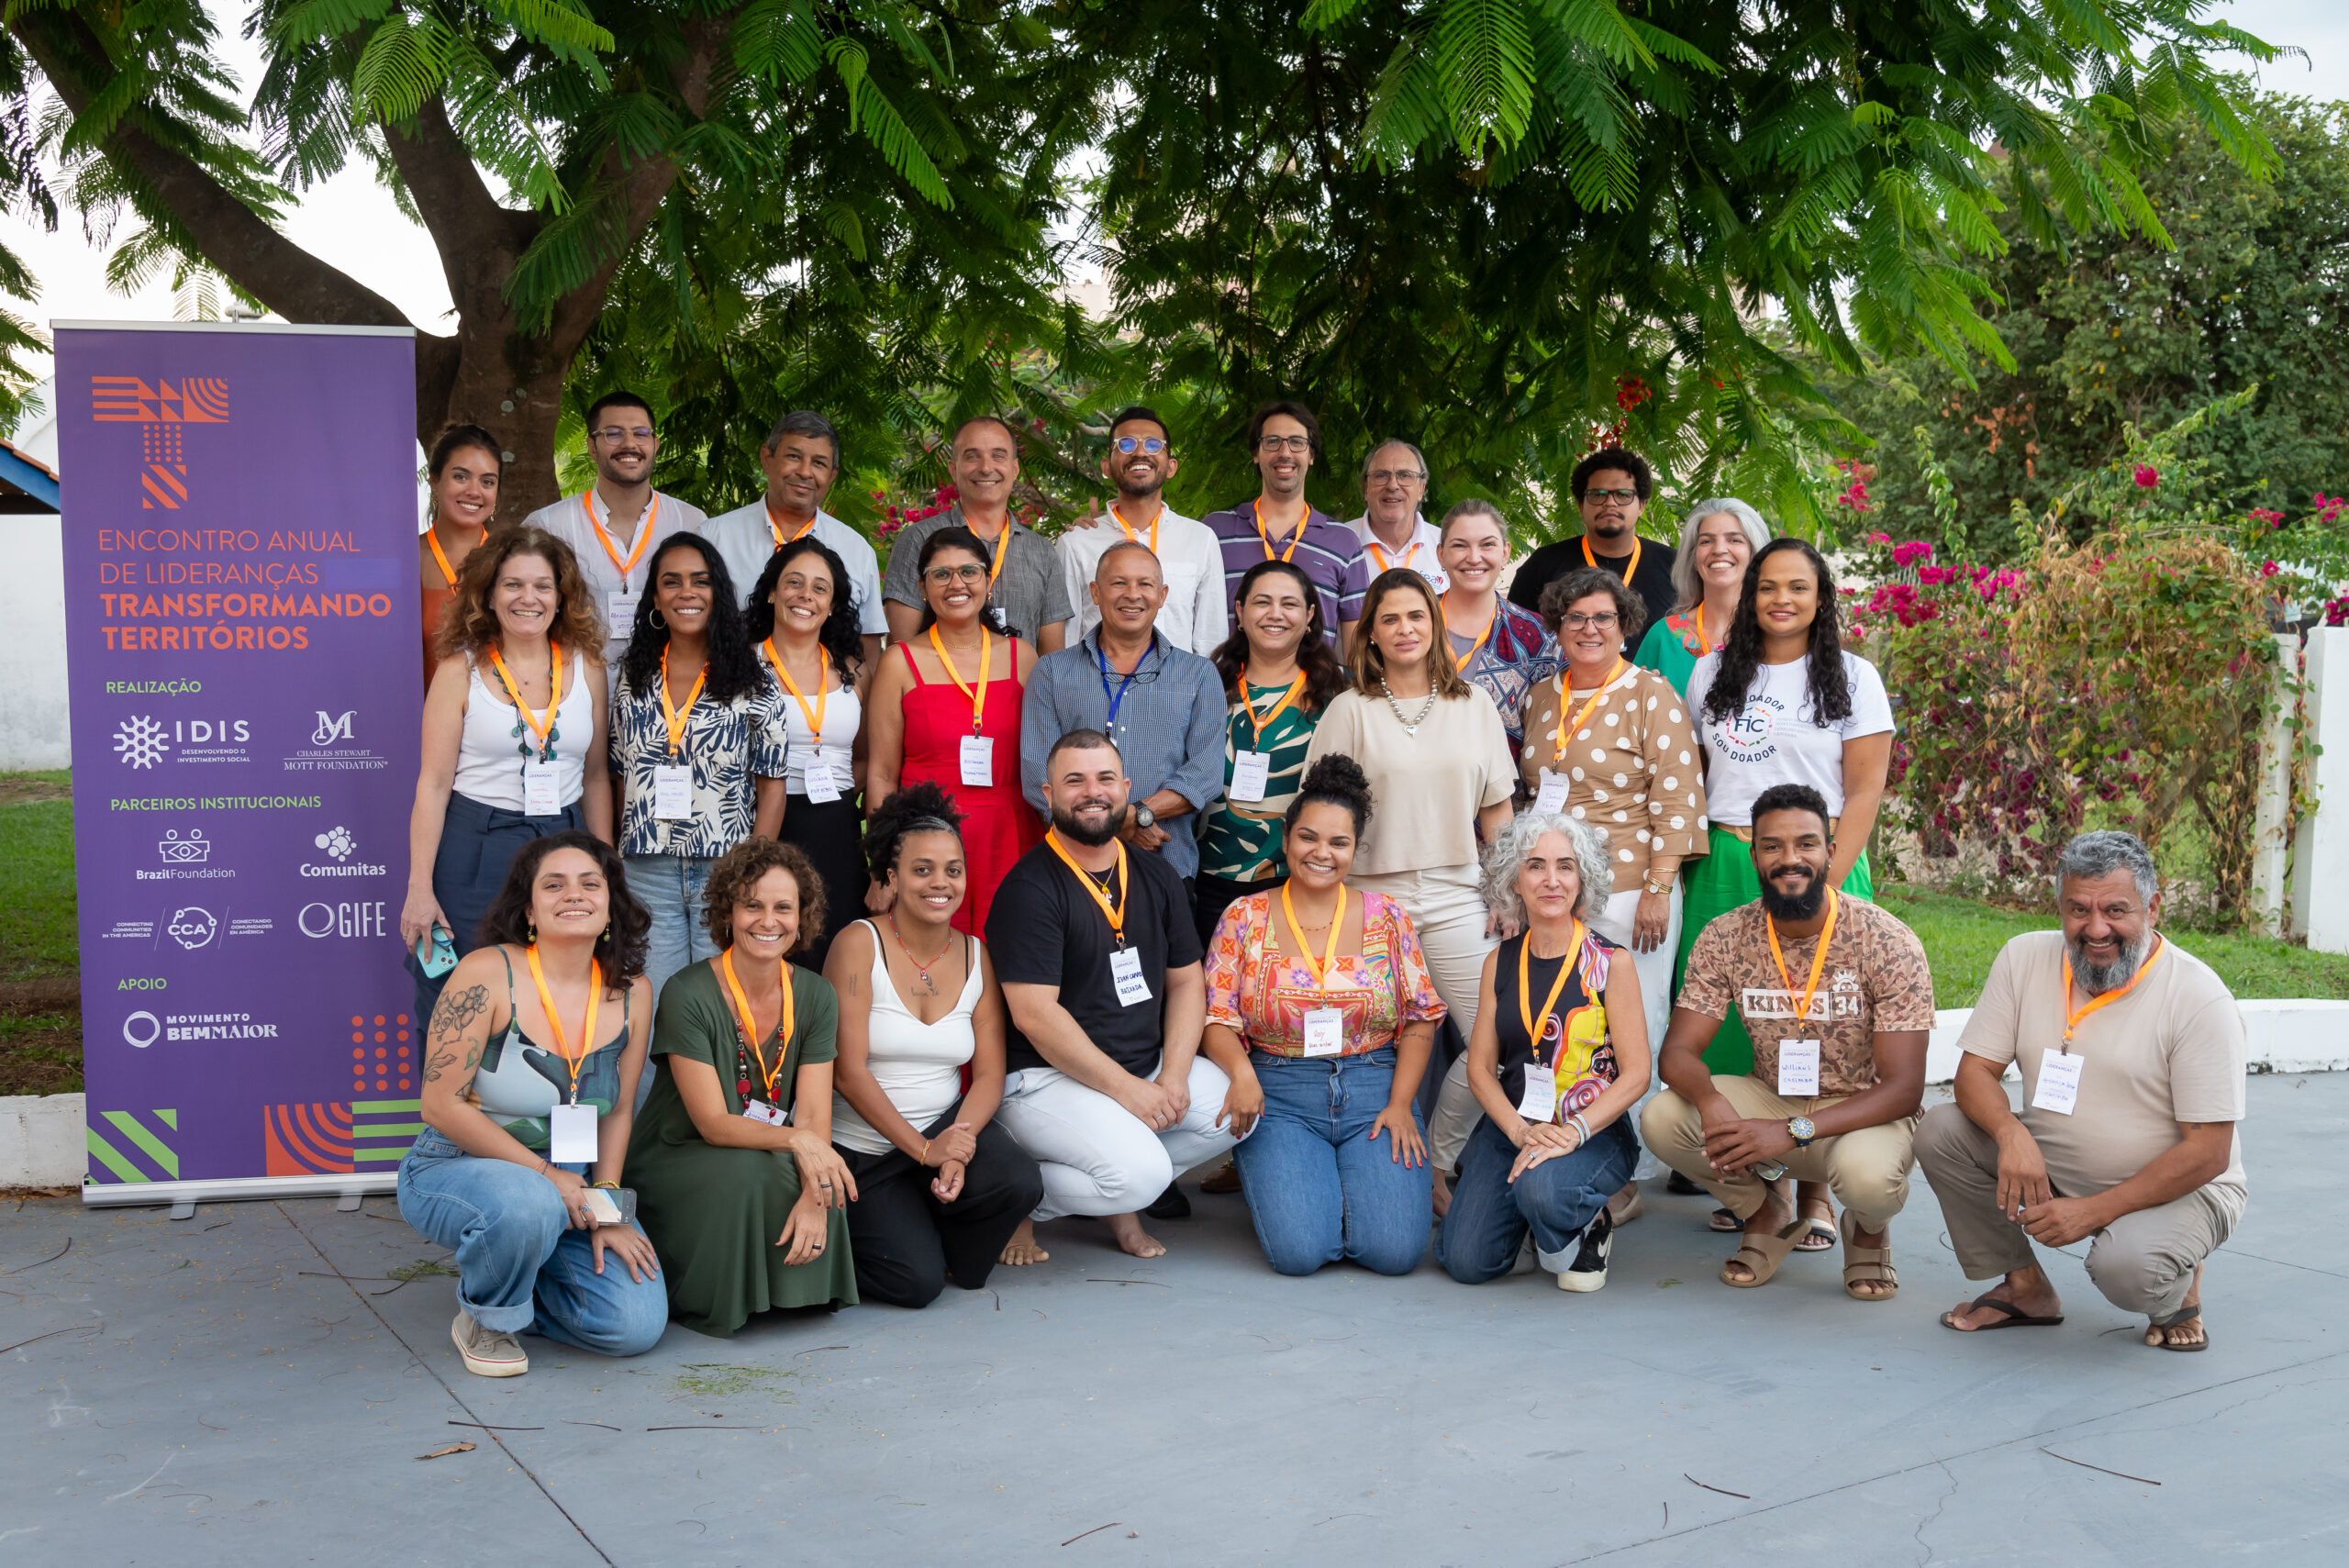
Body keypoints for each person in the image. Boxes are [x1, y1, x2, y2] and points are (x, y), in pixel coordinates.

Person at [1921, 831, 2244, 1351]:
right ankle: (2026, 1288)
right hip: (2054, 1166)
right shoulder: (2024, 958)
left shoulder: (2198, 998)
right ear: (2060, 907)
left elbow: (2209, 1152)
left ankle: (2177, 1293)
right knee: (1941, 1131)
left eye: (2116, 910)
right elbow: (1973, 1074)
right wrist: (2010, 1134)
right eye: (2078, 910)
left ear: (2153, 908)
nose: (2096, 929)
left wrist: (2094, 1212)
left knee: (2126, 1268)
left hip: (2181, 1190)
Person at [1641, 784, 1932, 1300]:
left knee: (1867, 1179)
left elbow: (1905, 1089)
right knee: (1664, 1118)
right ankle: (1766, 1212)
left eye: (1806, 844)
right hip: (1771, 1097)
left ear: (1831, 852)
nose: (1790, 859)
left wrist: (1792, 1130)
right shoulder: (1727, 935)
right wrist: (1710, 1102)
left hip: (1862, 1112)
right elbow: (1678, 1053)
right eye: (1772, 846)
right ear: (1753, 856)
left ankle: (1867, 1230)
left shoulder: (1887, 940)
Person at [398, 831, 664, 1376]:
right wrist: (547, 1176)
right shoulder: (485, 973)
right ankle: (488, 1318)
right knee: (528, 1206)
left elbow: (617, 1110)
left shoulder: (634, 990)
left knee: (633, 1327)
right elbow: (440, 1105)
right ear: (529, 911)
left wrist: (608, 1204)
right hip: (461, 1165)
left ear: (611, 905)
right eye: (554, 885)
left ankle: (521, 1269)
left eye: (591, 883)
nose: (575, 894)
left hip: (572, 1179)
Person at [1305, 569, 1517, 1211]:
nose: (1405, 629)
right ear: (1370, 633)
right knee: (1358, 1040)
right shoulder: (1350, 710)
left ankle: (1433, 1159)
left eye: (1416, 617)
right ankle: (1351, 1165)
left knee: (1500, 1038)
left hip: (1458, 893)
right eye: (1390, 618)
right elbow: (1321, 815)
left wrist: (1510, 894)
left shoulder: (1474, 705)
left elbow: (1499, 815)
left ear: (1435, 626)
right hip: (1371, 897)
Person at [986, 730, 1241, 1262]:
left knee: (1233, 1112)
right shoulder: (1029, 888)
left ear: (1126, 788)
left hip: (1140, 1067)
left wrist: (1172, 1075)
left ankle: (1115, 1179)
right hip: (1044, 1079)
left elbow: (1187, 981)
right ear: (1048, 793)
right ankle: (1015, 1195)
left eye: (1104, 779)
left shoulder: (1155, 873)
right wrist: (1129, 1092)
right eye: (1073, 781)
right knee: (1141, 1174)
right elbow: (1034, 1016)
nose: (1091, 792)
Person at [1199, 756, 1445, 1276]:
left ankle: (1328, 1189)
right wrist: (1242, 1076)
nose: (1322, 853)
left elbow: (1422, 1016)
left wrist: (1402, 1104)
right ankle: (1293, 1186)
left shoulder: (1387, 916)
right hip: (1280, 1092)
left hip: (1376, 1087)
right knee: (1299, 1254)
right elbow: (1217, 1015)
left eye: (1339, 843)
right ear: (1286, 838)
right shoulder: (1244, 917)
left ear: (1355, 849)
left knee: (1395, 1254)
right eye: (1309, 838)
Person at [1518, 565, 1706, 1221]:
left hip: (1631, 888)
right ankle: (1577, 1143)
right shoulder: (1543, 696)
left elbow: (1679, 797)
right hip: (1556, 887)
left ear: (1625, 624)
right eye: (1576, 618)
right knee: (1570, 1025)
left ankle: (1626, 1167)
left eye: (1603, 617)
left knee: (1635, 1024)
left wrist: (1659, 886)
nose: (1589, 629)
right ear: (1558, 627)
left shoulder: (1650, 692)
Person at [627, 839, 859, 1336]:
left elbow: (815, 1116)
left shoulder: (816, 994)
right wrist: (800, 1141)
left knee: (824, 1178)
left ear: (803, 917)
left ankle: (789, 1289)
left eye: (783, 907)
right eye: (752, 905)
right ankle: (710, 1293)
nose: (767, 921)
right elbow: (712, 1124)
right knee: (750, 1175)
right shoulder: (686, 991)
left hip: (764, 1142)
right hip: (680, 1149)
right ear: (727, 911)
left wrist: (816, 1193)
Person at [1680, 538, 1893, 1076]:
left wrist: (1832, 880)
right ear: (1750, 596)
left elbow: (1866, 790)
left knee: (1823, 1003)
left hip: (1820, 860)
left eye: (1799, 587)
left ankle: (1822, 1140)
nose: (1783, 598)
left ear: (1821, 598)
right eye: (1768, 586)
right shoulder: (1709, 673)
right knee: (1722, 1011)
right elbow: (1697, 776)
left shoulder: (1854, 677)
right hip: (1725, 862)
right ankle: (1718, 1148)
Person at [825, 784, 1044, 1307]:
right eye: (922, 870)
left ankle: (922, 1228)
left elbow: (989, 1073)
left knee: (1018, 1181)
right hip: (867, 1150)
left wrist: (958, 1145)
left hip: (941, 1132)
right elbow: (848, 1071)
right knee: (915, 1284)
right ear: (891, 878)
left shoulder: (976, 955)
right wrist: (923, 1149)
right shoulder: (858, 943)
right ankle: (863, 1237)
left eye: (953, 869)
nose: (940, 883)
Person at [403, 528, 612, 1023]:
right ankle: (451, 1102)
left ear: (561, 598)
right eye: (513, 585)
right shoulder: (459, 671)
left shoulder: (589, 668)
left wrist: (607, 871)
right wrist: (418, 887)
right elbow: (432, 785)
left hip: (565, 842)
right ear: (490, 595)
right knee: (458, 998)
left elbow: (598, 775)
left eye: (543, 586)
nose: (528, 598)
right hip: (475, 844)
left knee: (554, 994)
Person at [1436, 814, 1651, 1290]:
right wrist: (1518, 1132)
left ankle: (1589, 1223)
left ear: (1582, 878)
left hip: (1590, 1127)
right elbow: (1479, 1068)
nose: (1551, 880)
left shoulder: (1611, 962)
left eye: (1565, 867)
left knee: (1542, 1190)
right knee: (1466, 1262)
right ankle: (1533, 1217)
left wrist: (1572, 1133)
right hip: (1516, 1125)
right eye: (1536, 866)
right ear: (1515, 879)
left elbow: (1636, 1075)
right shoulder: (1500, 961)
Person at [605, 533, 785, 995]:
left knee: (720, 1007)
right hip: (646, 869)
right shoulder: (634, 675)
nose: (687, 592)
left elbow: (771, 787)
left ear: (717, 594)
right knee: (652, 1005)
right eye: (672, 582)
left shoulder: (755, 679)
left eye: (700, 581)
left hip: (725, 867)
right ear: (656, 599)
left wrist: (753, 871)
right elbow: (619, 773)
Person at [864, 526, 1043, 939]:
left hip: (1010, 835)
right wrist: (880, 868)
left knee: (1011, 959)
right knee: (932, 962)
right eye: (940, 574)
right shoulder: (899, 662)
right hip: (925, 843)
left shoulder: (1023, 657)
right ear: (923, 587)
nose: (956, 583)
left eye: (969, 571)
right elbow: (880, 775)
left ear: (988, 581)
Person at [1020, 541, 1227, 884]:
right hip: (1075, 869)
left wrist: (1138, 815)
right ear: (1095, 592)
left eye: (1145, 584)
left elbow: (1205, 773)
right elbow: (1037, 775)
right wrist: (1117, 828)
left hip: (1166, 863)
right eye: (1118, 583)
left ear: (1162, 595)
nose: (1133, 594)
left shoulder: (1199, 675)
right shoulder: (1051, 672)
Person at [1195, 559, 1353, 945]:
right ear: (1240, 611)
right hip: (1211, 877)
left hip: (1299, 880)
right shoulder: (1207, 683)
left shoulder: (1338, 694)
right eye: (1262, 602)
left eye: (1290, 604)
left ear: (1311, 614)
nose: (1275, 614)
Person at [748, 535, 873, 968]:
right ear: (771, 591)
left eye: (820, 588)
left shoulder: (854, 670)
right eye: (794, 582)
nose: (806, 595)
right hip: (765, 823)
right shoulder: (740, 667)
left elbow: (867, 757)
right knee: (771, 950)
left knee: (836, 953)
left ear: (834, 603)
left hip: (838, 825)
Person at [523, 390, 704, 665]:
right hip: (573, 693)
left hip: (667, 693)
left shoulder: (692, 523)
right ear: (592, 447)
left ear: (655, 445)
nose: (629, 444)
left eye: (641, 433)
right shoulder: (547, 526)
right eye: (613, 433)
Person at [705, 409, 886, 670]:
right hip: (726, 699)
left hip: (825, 706)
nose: (804, 472)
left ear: (833, 475)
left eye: (819, 463)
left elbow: (867, 648)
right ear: (767, 458)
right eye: (794, 457)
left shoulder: (856, 551)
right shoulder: (714, 538)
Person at [881, 415, 1071, 651]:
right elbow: (902, 651)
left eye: (998, 456)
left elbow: (1051, 661)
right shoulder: (918, 540)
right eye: (972, 456)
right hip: (939, 687)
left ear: (1014, 469)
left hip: (1025, 688)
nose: (986, 468)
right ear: (953, 469)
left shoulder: (1042, 551)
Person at [1056, 406, 1230, 653]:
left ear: (1171, 467)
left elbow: (1210, 639)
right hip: (1098, 688)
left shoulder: (1200, 539)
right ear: (1107, 466)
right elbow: (1067, 639)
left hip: (1177, 689)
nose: (1139, 452)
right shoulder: (1077, 542)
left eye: (1153, 444)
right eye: (1125, 444)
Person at [1198, 402, 1367, 652]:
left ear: (1311, 456)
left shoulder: (1344, 541)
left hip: (1315, 689)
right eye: (1273, 441)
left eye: (1297, 442)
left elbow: (1356, 648)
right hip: (1226, 688)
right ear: (1256, 453)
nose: (1285, 452)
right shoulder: (1215, 532)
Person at [1508, 447, 1678, 639]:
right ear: (1581, 506)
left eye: (1623, 494)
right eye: (1597, 495)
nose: (1610, 503)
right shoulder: (1543, 565)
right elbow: (1514, 641)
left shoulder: (1675, 566)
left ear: (1641, 506)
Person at [1435, 499, 1556, 753]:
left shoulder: (1537, 635)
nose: (1474, 557)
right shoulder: (1411, 622)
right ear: (1441, 554)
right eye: (1459, 545)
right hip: (1414, 785)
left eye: (1487, 544)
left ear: (1505, 552)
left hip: (1504, 790)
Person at [1633, 497, 1769, 695]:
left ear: (1755, 554)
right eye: (1706, 541)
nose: (1719, 549)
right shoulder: (1663, 636)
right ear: (1693, 558)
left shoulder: (1775, 633)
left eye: (1735, 540)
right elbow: (1632, 717)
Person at [417, 424, 501, 684]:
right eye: (461, 477)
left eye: (487, 482)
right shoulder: (405, 559)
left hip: (503, 720)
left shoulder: (513, 560)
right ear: (434, 479)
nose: (474, 491)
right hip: (420, 718)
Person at [1347, 439, 1445, 591]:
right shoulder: (1339, 543)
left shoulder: (1446, 545)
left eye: (1404, 475)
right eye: (1381, 475)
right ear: (1366, 488)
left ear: (1421, 489)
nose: (1392, 485)